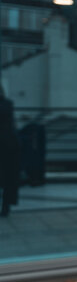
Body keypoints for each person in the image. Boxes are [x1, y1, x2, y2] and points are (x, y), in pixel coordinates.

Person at [0, 86, 21, 217]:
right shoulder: (8, 104)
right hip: (9, 144)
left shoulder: (6, 105)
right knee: (9, 177)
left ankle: (5, 206)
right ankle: (6, 206)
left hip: (6, 145)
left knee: (7, 177)